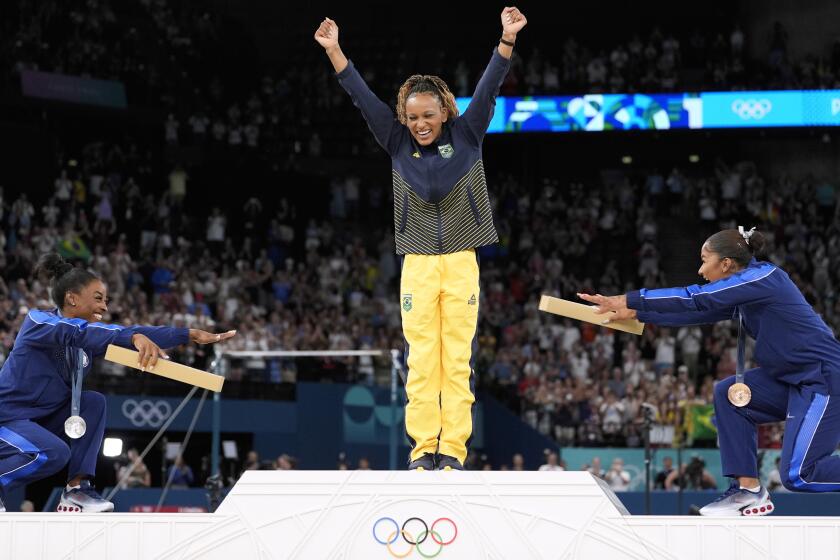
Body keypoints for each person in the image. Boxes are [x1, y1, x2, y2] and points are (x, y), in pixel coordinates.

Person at [314, 7, 527, 471]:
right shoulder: (395, 142)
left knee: (457, 360)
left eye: (428, 115)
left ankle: (451, 450)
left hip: (461, 261)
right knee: (421, 360)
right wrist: (335, 51)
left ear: (444, 111)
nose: (420, 124)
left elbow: (489, 87)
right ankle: (421, 450)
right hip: (418, 264)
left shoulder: (468, 134)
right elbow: (362, 97)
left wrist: (506, 41)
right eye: (412, 117)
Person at [580, 227, 840, 516]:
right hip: (792, 380)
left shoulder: (764, 278)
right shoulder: (743, 291)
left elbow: (696, 298)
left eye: (705, 261)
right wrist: (638, 314)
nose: (701, 270)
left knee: (800, 474)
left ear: (726, 263)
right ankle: (748, 491)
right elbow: (697, 312)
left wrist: (629, 299)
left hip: (824, 378)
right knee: (728, 395)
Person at [0, 252, 235, 513]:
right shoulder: (37, 321)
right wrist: (133, 337)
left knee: (94, 403)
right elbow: (80, 332)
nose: (104, 307)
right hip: (6, 418)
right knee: (54, 453)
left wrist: (186, 334)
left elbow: (121, 332)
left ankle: (77, 490)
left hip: (39, 419)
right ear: (72, 298)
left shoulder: (86, 344)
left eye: (106, 301)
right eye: (98, 299)